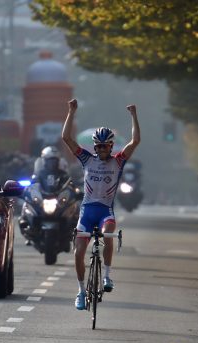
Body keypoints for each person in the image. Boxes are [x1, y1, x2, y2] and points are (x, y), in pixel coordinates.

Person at [61, 98, 140, 310]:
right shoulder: (87, 159)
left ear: (111, 146)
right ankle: (81, 291)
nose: (101, 149)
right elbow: (66, 138)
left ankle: (107, 276)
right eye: (98, 146)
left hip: (105, 210)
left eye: (105, 146)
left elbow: (135, 142)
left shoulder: (118, 161)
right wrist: (71, 112)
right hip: (87, 211)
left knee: (108, 231)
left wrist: (133, 115)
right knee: (78, 252)